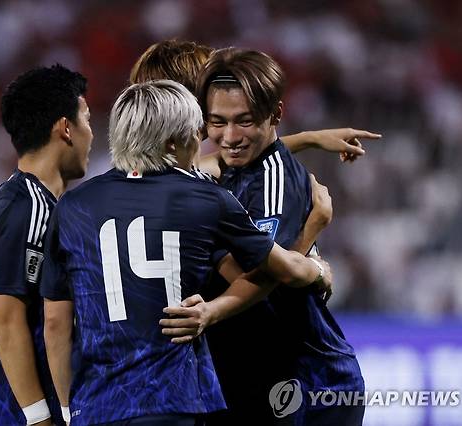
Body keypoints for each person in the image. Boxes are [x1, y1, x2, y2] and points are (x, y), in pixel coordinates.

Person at [40, 80, 335, 426]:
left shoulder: (72, 206)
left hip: (96, 406)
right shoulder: (204, 198)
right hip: (174, 400)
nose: (201, 141)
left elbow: (56, 323)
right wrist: (316, 257)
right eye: (195, 132)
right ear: (171, 141)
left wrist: (67, 410)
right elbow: (280, 272)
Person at [168, 48, 367, 425]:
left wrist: (307, 255)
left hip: (307, 381)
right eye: (217, 122)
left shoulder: (273, 179)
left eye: (244, 121)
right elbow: (202, 164)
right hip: (257, 378)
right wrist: (313, 258)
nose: (229, 137)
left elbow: (261, 275)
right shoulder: (228, 169)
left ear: (274, 114)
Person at [0, 64, 92, 426]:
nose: (92, 134)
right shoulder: (30, 207)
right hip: (18, 412)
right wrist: (40, 418)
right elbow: (5, 320)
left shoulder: (21, 199)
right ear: (65, 128)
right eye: (86, 119)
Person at [129, 39, 381, 170]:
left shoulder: (141, 174)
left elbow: (217, 163)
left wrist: (310, 139)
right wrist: (316, 230)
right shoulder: (200, 199)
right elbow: (262, 271)